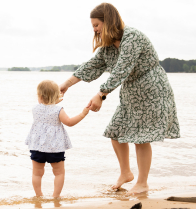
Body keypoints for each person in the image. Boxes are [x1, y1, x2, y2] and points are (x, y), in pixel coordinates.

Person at [59, 3, 180, 194]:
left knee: (141, 138)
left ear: (108, 21)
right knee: (115, 131)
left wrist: (101, 94)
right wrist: (66, 84)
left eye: (97, 25)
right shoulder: (108, 48)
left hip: (151, 90)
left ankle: (142, 183)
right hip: (131, 92)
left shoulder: (132, 37)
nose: (95, 30)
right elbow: (91, 66)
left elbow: (122, 69)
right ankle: (126, 173)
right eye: (93, 26)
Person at [25, 80, 89, 197]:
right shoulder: (58, 110)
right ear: (56, 96)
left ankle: (39, 196)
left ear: (40, 96)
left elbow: (44, 105)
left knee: (37, 174)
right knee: (59, 173)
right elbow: (69, 122)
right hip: (55, 147)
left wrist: (51, 100)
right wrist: (83, 114)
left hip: (37, 147)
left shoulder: (35, 109)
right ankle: (56, 196)